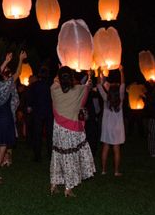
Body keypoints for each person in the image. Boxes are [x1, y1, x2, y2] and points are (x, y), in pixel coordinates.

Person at [49, 66, 96, 197]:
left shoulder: (53, 89)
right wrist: (90, 75)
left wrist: (60, 71)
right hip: (71, 130)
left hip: (58, 129)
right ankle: (68, 188)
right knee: (70, 156)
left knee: (57, 154)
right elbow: (88, 87)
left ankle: (54, 183)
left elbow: (56, 81)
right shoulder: (78, 91)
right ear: (71, 78)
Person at [0, 51, 26, 184]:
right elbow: (17, 74)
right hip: (4, 115)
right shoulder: (5, 84)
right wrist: (20, 60)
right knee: (2, 147)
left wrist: (6, 61)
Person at [97, 67, 125, 176]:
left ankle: (104, 170)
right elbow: (123, 84)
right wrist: (121, 71)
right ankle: (116, 171)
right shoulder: (121, 98)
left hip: (107, 126)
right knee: (116, 149)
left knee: (106, 147)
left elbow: (99, 85)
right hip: (117, 127)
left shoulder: (106, 98)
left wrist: (99, 73)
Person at [26, 65, 54, 162]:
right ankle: (50, 154)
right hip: (49, 112)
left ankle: (37, 155)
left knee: (37, 134)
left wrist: (29, 107)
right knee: (50, 135)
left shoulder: (34, 85)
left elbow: (30, 98)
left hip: (37, 112)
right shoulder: (51, 84)